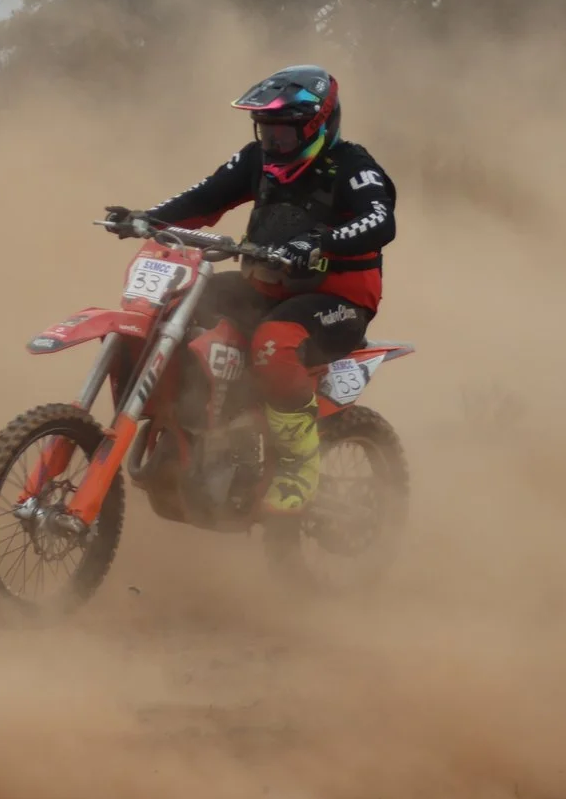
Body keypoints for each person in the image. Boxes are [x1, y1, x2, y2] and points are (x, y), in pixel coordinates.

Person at [104, 65, 396, 515]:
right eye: (266, 132)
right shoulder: (257, 160)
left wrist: (321, 242)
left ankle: (299, 464)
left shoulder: (354, 169)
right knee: (175, 307)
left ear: (317, 126)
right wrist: (148, 218)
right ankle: (195, 424)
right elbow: (203, 199)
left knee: (272, 345)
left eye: (284, 134)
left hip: (337, 301)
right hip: (265, 285)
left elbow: (380, 221)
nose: (273, 143)